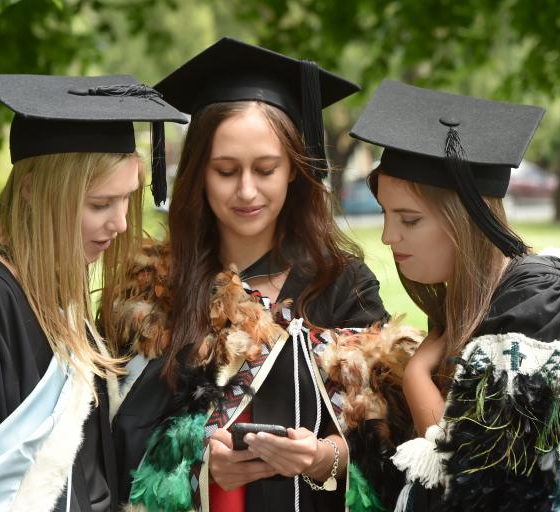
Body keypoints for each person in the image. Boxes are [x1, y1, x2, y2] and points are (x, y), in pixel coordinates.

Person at [102, 38, 409, 512]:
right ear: (199, 173)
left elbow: (391, 443)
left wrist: (324, 459)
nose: (247, 191)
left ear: (293, 169)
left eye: (265, 169)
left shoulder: (343, 284)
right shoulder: (157, 287)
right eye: (225, 171)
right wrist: (199, 466)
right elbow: (117, 436)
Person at [0, 74, 187, 511]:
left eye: (126, 200)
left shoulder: (55, 289)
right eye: (99, 204)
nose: (119, 224)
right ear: (32, 194)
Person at [351, 79, 560, 511]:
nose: (386, 236)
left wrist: (418, 374)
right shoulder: (483, 303)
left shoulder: (538, 306)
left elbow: (480, 482)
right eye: (385, 214)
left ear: (467, 220)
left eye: (409, 219)